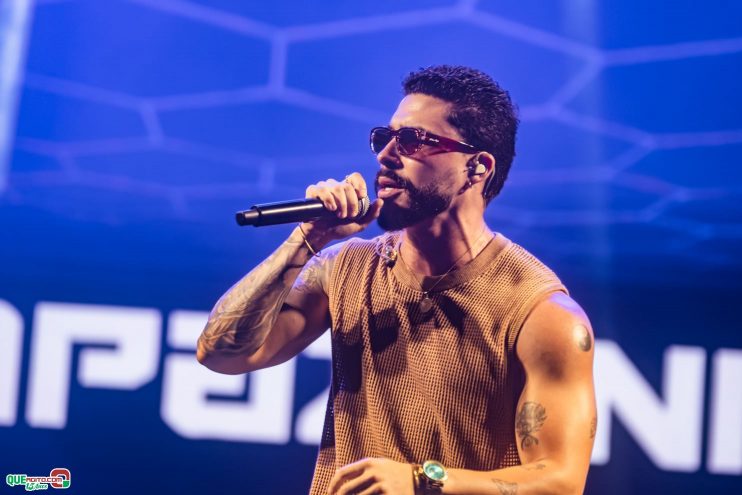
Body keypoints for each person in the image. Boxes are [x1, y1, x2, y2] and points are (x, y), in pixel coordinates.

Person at [197, 65, 596, 495]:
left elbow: (560, 481)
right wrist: (307, 239)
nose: (385, 155)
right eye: (384, 138)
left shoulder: (542, 313)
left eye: (412, 141)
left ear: (477, 167)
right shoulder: (344, 267)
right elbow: (221, 355)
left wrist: (422, 480)